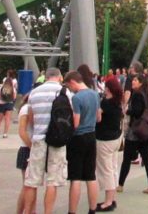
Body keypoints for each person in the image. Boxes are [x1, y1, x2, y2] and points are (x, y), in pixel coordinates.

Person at [22, 67, 67, 214]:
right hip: (57, 140)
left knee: (31, 181)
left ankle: (29, 211)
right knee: (52, 182)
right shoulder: (65, 92)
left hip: (38, 139)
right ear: (59, 76)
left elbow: (31, 119)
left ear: (45, 77)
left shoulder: (34, 93)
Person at [64, 67, 100, 214]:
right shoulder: (95, 94)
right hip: (92, 136)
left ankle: (72, 211)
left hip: (78, 138)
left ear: (73, 82)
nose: (70, 90)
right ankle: (92, 209)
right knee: (91, 176)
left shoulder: (77, 98)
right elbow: (99, 117)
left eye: (68, 86)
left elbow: (76, 122)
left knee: (76, 177)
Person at [117, 74, 148, 196]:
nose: (132, 82)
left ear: (140, 82)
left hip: (136, 131)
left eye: (135, 80)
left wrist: (127, 111)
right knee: (147, 159)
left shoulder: (138, 94)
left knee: (127, 158)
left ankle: (120, 185)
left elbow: (137, 112)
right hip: (147, 131)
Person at [95, 75, 123, 212]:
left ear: (109, 89)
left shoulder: (105, 103)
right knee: (112, 168)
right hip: (116, 138)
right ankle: (112, 198)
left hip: (105, 140)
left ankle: (108, 202)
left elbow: (98, 118)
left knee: (105, 171)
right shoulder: (117, 102)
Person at [15, 94, 32, 214]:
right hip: (26, 149)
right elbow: (22, 131)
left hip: (28, 148)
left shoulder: (31, 107)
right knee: (27, 185)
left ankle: (30, 210)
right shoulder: (26, 109)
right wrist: (33, 147)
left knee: (31, 185)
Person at [0, 69, 17, 138]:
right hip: (9, 103)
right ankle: (5, 134)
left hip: (1, 103)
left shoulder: (1, 87)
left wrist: (1, 100)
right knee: (7, 119)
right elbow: (14, 97)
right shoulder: (13, 88)